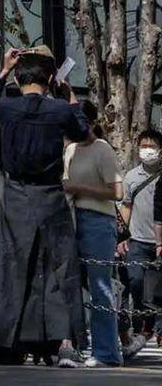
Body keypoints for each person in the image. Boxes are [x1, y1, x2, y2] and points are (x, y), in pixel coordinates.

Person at [0, 47, 90, 367]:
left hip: (15, 195)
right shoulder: (59, 111)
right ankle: (65, 344)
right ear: (51, 79)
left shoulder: (7, 108)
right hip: (51, 194)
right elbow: (82, 130)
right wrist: (71, 98)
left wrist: (1, 73)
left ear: (18, 77)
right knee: (58, 266)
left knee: (5, 265)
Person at [63, 100, 124, 367]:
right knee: (72, 285)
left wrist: (81, 188)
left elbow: (117, 192)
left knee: (100, 286)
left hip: (99, 220)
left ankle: (106, 351)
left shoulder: (103, 149)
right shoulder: (71, 149)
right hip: (73, 218)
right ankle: (76, 345)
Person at [119, 128, 162, 357]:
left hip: (159, 244)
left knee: (156, 292)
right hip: (137, 241)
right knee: (135, 283)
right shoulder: (132, 177)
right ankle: (141, 327)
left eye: (151, 146)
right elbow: (126, 206)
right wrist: (122, 237)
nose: (147, 150)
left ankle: (148, 330)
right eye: (144, 146)